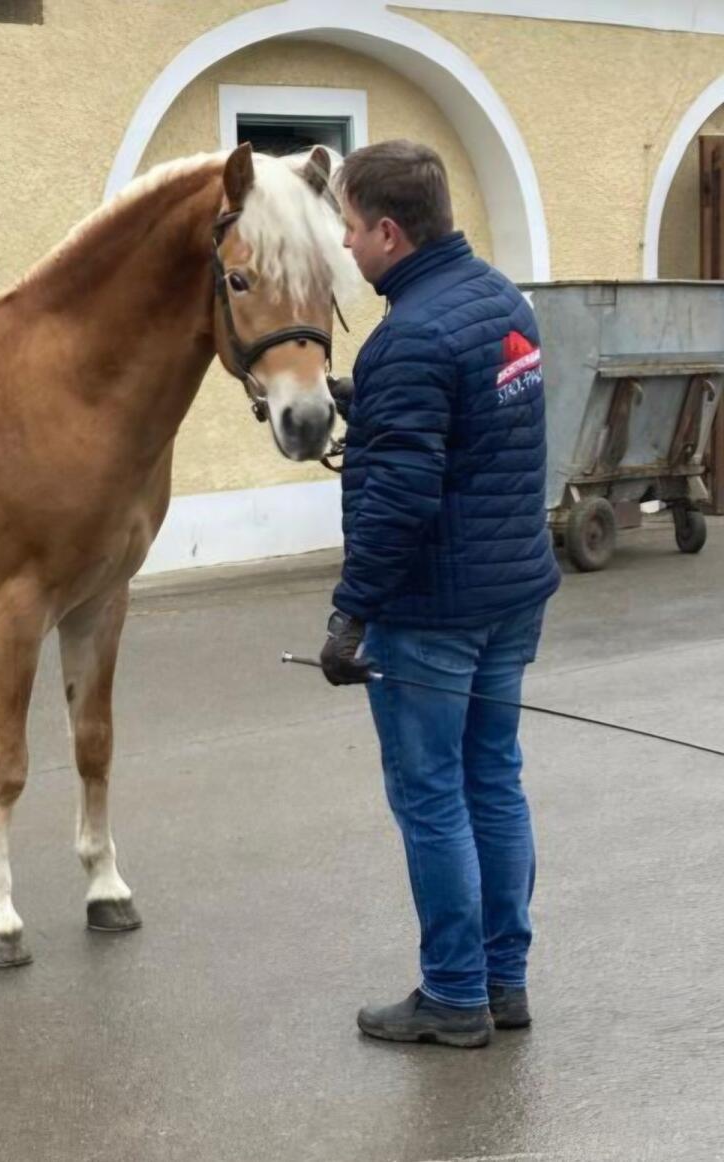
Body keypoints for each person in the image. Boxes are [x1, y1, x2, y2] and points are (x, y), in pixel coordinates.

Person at [320, 140, 561, 1048]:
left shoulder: (409, 337)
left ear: (389, 230)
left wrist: (351, 614)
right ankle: (504, 984)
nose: (344, 246)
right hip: (512, 595)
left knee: (432, 795)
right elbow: (464, 431)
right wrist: (367, 404)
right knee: (493, 779)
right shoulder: (502, 303)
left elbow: (402, 498)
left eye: (349, 228)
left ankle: (455, 994)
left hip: (434, 612)